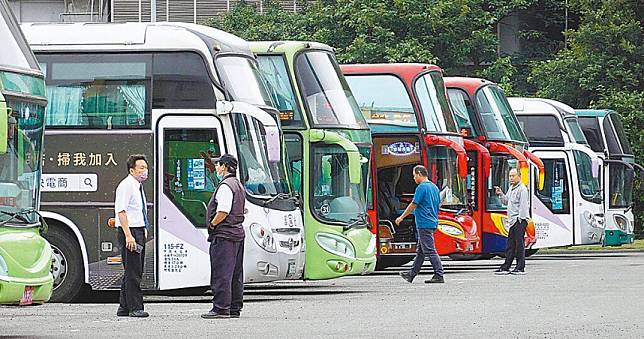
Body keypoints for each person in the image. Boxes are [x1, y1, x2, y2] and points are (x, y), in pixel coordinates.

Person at [202, 154, 246, 319]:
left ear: (225, 166)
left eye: (219, 165)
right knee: (235, 273)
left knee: (222, 273)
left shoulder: (225, 186)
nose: (217, 168)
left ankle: (221, 308)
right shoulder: (238, 185)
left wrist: (212, 224)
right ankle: (234, 307)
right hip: (237, 234)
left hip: (224, 235)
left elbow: (223, 210)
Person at [396, 165, 445, 284]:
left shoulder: (421, 187)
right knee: (421, 251)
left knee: (429, 250)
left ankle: (439, 274)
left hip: (424, 222)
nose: (413, 179)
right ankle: (411, 274)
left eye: (414, 176)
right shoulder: (434, 187)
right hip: (432, 220)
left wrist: (401, 217)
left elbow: (414, 204)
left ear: (419, 173)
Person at [115, 155, 149, 318]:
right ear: (132, 170)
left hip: (138, 230)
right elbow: (121, 212)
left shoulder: (137, 186)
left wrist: (143, 229)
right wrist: (129, 235)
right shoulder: (127, 186)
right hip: (130, 232)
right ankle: (135, 307)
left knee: (132, 270)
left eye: (146, 167)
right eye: (141, 168)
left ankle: (123, 307)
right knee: (134, 271)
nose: (145, 171)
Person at [494, 168, 530, 275]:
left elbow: (523, 206)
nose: (511, 178)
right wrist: (501, 194)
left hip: (519, 221)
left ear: (519, 176)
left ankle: (520, 267)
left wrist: (520, 219)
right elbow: (506, 201)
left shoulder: (522, 189)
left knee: (519, 245)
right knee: (510, 245)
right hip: (512, 221)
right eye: (510, 176)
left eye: (513, 176)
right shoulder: (512, 188)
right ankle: (506, 266)